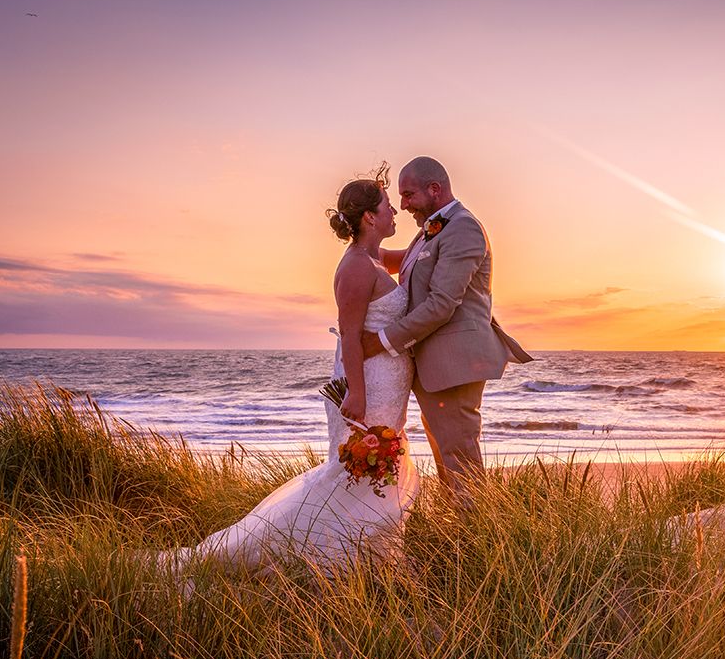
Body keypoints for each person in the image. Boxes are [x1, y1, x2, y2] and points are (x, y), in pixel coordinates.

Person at [157, 164, 418, 574]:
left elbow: (413, 256)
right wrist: (357, 393)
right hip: (366, 385)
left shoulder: (373, 257)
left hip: (384, 384)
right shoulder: (355, 267)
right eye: (388, 206)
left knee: (378, 469)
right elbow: (349, 335)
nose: (394, 213)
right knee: (361, 469)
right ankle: (330, 561)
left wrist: (439, 227)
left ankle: (372, 560)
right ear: (369, 217)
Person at [363, 156, 532, 502]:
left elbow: (441, 304)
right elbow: (389, 260)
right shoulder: (430, 231)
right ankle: (455, 539)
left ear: (435, 189)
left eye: (408, 195)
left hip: (456, 366)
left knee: (461, 463)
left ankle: (475, 545)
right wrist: (359, 233)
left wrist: (381, 341)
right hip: (434, 368)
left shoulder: (463, 228)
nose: (404, 204)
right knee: (447, 462)